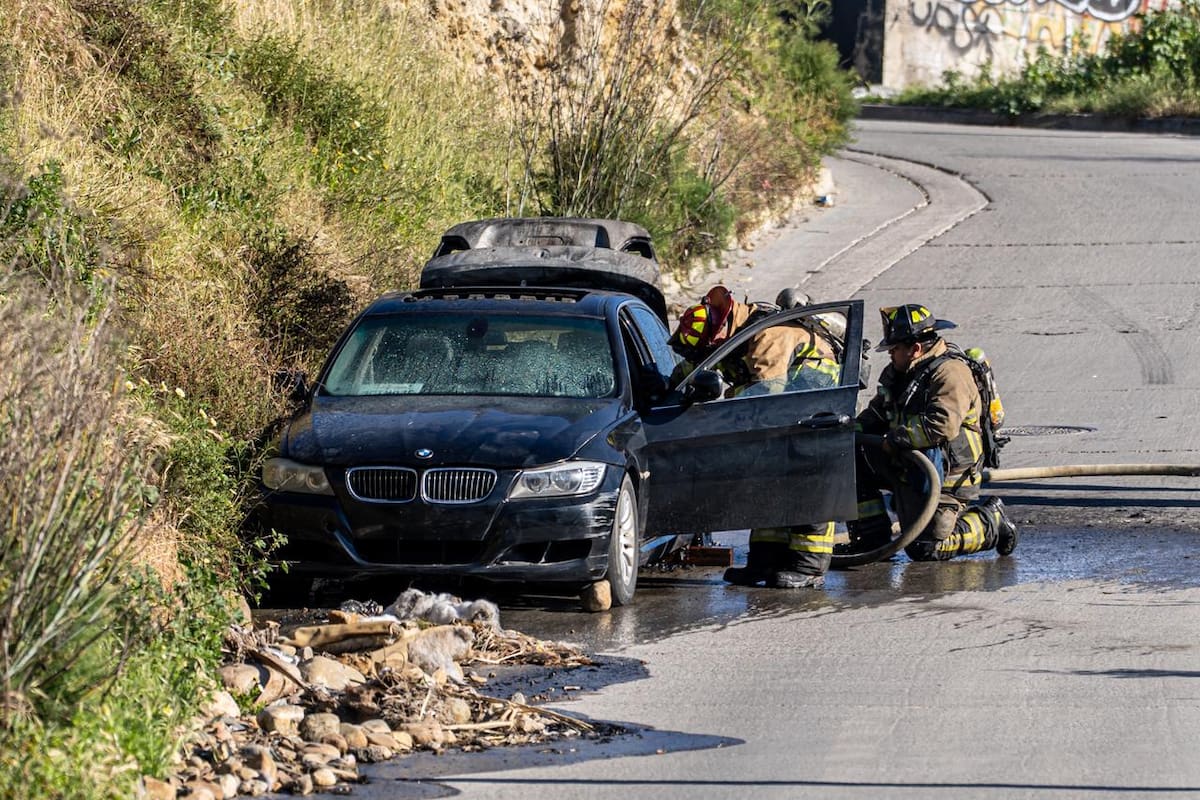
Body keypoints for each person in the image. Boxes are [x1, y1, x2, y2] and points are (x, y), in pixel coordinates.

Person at [668, 285, 841, 588]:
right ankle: (763, 563)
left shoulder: (767, 337)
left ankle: (809, 567)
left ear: (718, 332)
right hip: (782, 416)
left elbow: (765, 394)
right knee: (766, 486)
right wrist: (664, 388)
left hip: (812, 413)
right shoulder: (733, 339)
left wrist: (727, 409)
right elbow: (695, 369)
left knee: (806, 486)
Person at [849, 304, 1018, 561]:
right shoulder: (898, 372)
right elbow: (878, 413)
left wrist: (896, 439)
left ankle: (991, 522)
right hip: (908, 465)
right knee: (850, 458)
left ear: (915, 349)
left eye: (894, 349)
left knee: (925, 548)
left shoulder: (951, 373)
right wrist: (851, 432)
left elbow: (942, 425)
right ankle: (872, 540)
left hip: (949, 476)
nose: (890, 355)